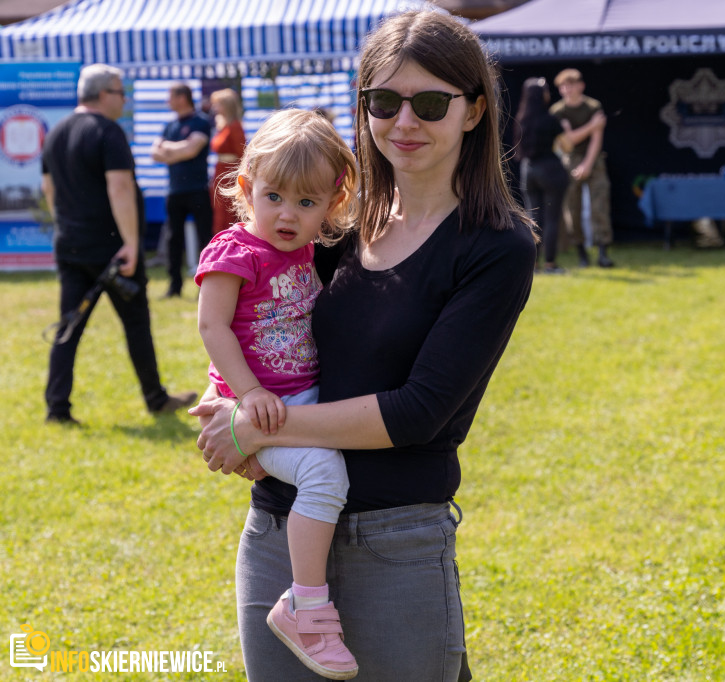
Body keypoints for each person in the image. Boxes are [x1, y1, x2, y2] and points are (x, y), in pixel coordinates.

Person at [190, 10, 537, 681]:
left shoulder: (496, 246)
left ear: (474, 112)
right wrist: (222, 400)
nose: (404, 123)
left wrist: (256, 426)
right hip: (278, 536)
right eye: (383, 101)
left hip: (396, 545)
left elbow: (417, 411)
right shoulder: (330, 228)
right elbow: (255, 327)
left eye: (431, 102)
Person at [195, 108, 360, 679]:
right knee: (324, 475)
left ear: (332, 205)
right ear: (246, 188)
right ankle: (305, 607)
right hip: (264, 406)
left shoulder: (306, 249)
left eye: (307, 202)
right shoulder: (235, 250)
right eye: (275, 197)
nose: (288, 214)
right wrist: (248, 395)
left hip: (303, 398)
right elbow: (212, 326)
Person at [40, 64, 197, 425]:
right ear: (102, 95)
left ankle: (57, 408)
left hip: (72, 246)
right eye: (119, 93)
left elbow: (49, 190)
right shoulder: (108, 132)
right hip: (112, 250)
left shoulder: (56, 132)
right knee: (136, 324)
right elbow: (120, 187)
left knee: (68, 327)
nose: (124, 100)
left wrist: (64, 227)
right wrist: (130, 243)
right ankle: (155, 398)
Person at [151, 82, 213, 298]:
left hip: (197, 189)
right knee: (173, 240)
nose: (167, 101)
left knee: (205, 239)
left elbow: (191, 149)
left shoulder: (201, 122)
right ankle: (174, 286)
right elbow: (154, 153)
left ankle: (207, 287)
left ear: (181, 98)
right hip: (175, 191)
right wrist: (181, 149)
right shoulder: (170, 126)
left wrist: (169, 149)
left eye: (170, 96)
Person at [550, 68, 614, 268]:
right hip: (570, 160)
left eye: (570, 85)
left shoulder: (593, 106)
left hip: (594, 159)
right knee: (572, 207)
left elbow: (597, 138)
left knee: (600, 205)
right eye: (562, 86)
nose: (567, 89)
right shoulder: (557, 111)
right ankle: (582, 255)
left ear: (581, 86)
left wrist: (587, 164)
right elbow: (567, 141)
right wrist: (591, 126)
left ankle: (603, 253)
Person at [515, 77, 571, 273]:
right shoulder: (551, 120)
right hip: (551, 170)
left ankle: (533, 264)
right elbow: (568, 145)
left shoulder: (521, 119)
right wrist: (566, 130)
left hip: (528, 170)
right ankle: (550, 263)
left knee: (533, 217)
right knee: (552, 218)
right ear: (542, 95)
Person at [209, 88, 246, 235]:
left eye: (217, 104)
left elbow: (242, 153)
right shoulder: (223, 126)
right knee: (219, 210)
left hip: (229, 174)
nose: (214, 108)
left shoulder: (235, 126)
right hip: (220, 172)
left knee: (227, 212)